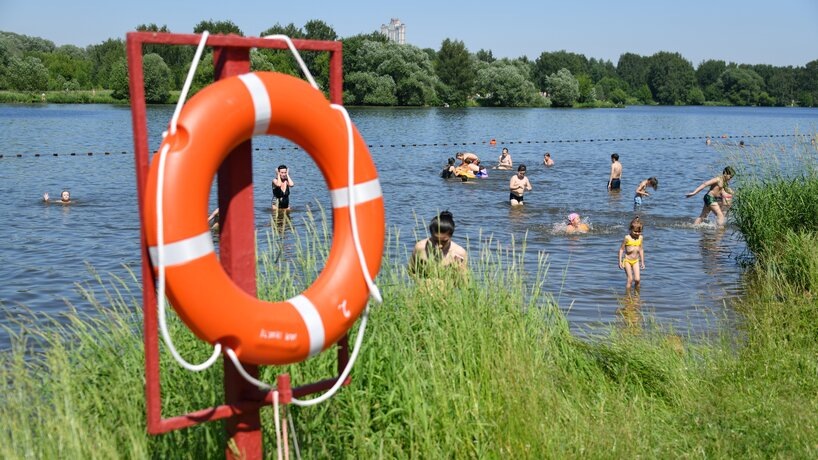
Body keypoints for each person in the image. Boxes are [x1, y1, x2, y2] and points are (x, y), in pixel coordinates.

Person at [409, 211, 468, 277]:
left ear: (451, 236)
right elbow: (411, 271)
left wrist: (459, 269)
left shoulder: (459, 252)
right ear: (431, 234)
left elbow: (465, 284)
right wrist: (422, 282)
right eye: (435, 240)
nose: (439, 245)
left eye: (444, 241)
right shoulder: (420, 248)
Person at [618, 216, 645, 290]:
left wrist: (642, 262)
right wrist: (620, 261)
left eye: (639, 232)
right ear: (630, 229)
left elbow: (641, 250)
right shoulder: (627, 238)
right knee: (630, 279)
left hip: (636, 261)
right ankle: (627, 296)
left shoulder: (640, 238)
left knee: (637, 279)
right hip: (627, 261)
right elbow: (621, 250)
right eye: (635, 231)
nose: (637, 233)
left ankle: (636, 295)